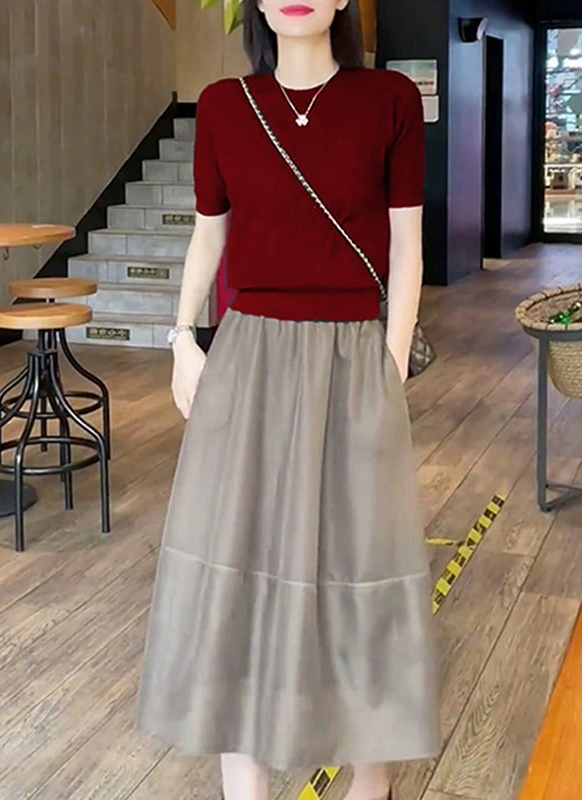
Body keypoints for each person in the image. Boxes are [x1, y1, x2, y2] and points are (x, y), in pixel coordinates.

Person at [136, 2, 440, 798]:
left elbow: (407, 243)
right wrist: (182, 337)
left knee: (361, 567)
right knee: (235, 567)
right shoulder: (224, 106)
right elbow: (210, 231)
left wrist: (391, 359)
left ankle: (369, 782)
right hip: (249, 356)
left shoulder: (388, 100)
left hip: (352, 353)